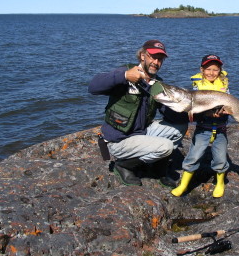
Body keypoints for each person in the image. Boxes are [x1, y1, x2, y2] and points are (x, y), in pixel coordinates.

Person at [88, 40, 188, 187]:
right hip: (119, 140)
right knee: (165, 146)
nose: (156, 62)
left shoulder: (157, 84)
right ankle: (124, 165)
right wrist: (125, 76)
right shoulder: (125, 72)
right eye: (152, 57)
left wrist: (192, 113)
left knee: (180, 127)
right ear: (142, 56)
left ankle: (157, 170)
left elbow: (170, 115)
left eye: (160, 59)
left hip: (141, 133)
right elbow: (93, 87)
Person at [171, 54, 230, 198]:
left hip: (220, 130)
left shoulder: (225, 88)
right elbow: (193, 109)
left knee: (221, 159)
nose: (211, 73)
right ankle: (183, 185)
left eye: (215, 70)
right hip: (203, 129)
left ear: (220, 71)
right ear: (201, 70)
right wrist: (208, 114)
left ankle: (220, 183)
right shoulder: (197, 88)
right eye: (208, 69)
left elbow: (229, 106)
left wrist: (224, 112)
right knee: (194, 156)